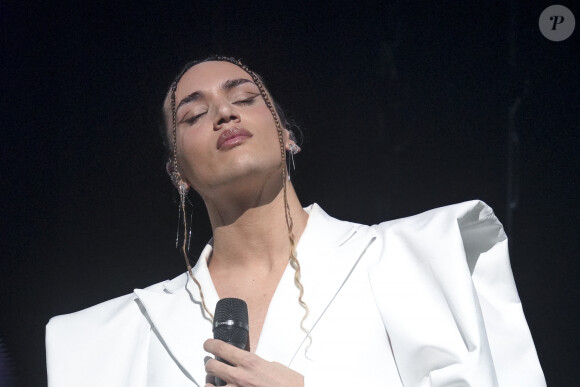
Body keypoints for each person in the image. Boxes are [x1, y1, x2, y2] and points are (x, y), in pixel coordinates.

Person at [46, 56, 546, 386]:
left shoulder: (417, 258)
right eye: (194, 116)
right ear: (178, 171)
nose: (225, 114)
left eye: (244, 99)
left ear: (286, 134)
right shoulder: (114, 338)